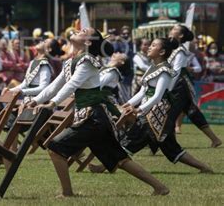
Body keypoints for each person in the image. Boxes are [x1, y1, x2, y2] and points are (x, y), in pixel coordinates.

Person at [25, 28, 169, 197]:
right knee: (120, 159)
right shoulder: (72, 61)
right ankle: (160, 187)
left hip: (92, 117)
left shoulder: (87, 61)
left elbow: (72, 85)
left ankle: (67, 193)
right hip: (94, 118)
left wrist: (52, 103)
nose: (80, 29)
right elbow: (54, 86)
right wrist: (36, 100)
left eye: (85, 31)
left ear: (88, 42)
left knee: (55, 148)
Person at [120, 38, 213, 173]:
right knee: (171, 148)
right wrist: (127, 104)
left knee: (131, 139)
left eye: (153, 45)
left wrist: (138, 109)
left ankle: (106, 165)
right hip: (150, 111)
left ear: (162, 51)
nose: (149, 47)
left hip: (158, 113)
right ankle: (204, 167)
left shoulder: (164, 70)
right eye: (150, 45)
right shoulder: (152, 67)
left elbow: (157, 96)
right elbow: (143, 92)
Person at [168, 25, 221, 148]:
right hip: (179, 84)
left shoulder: (180, 51)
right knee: (192, 112)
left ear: (180, 36)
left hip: (180, 85)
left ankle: (165, 144)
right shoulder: (173, 49)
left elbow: (177, 71)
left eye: (174, 29)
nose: (171, 30)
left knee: (170, 112)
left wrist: (168, 87)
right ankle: (215, 139)